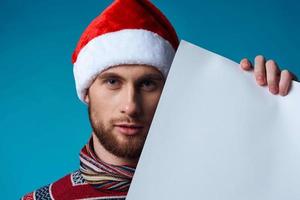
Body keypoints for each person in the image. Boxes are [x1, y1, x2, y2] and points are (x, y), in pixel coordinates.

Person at [21, 0, 295, 199]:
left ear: (172, 90)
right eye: (112, 82)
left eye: (148, 83)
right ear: (87, 91)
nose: (130, 105)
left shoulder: (225, 188)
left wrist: (285, 116)